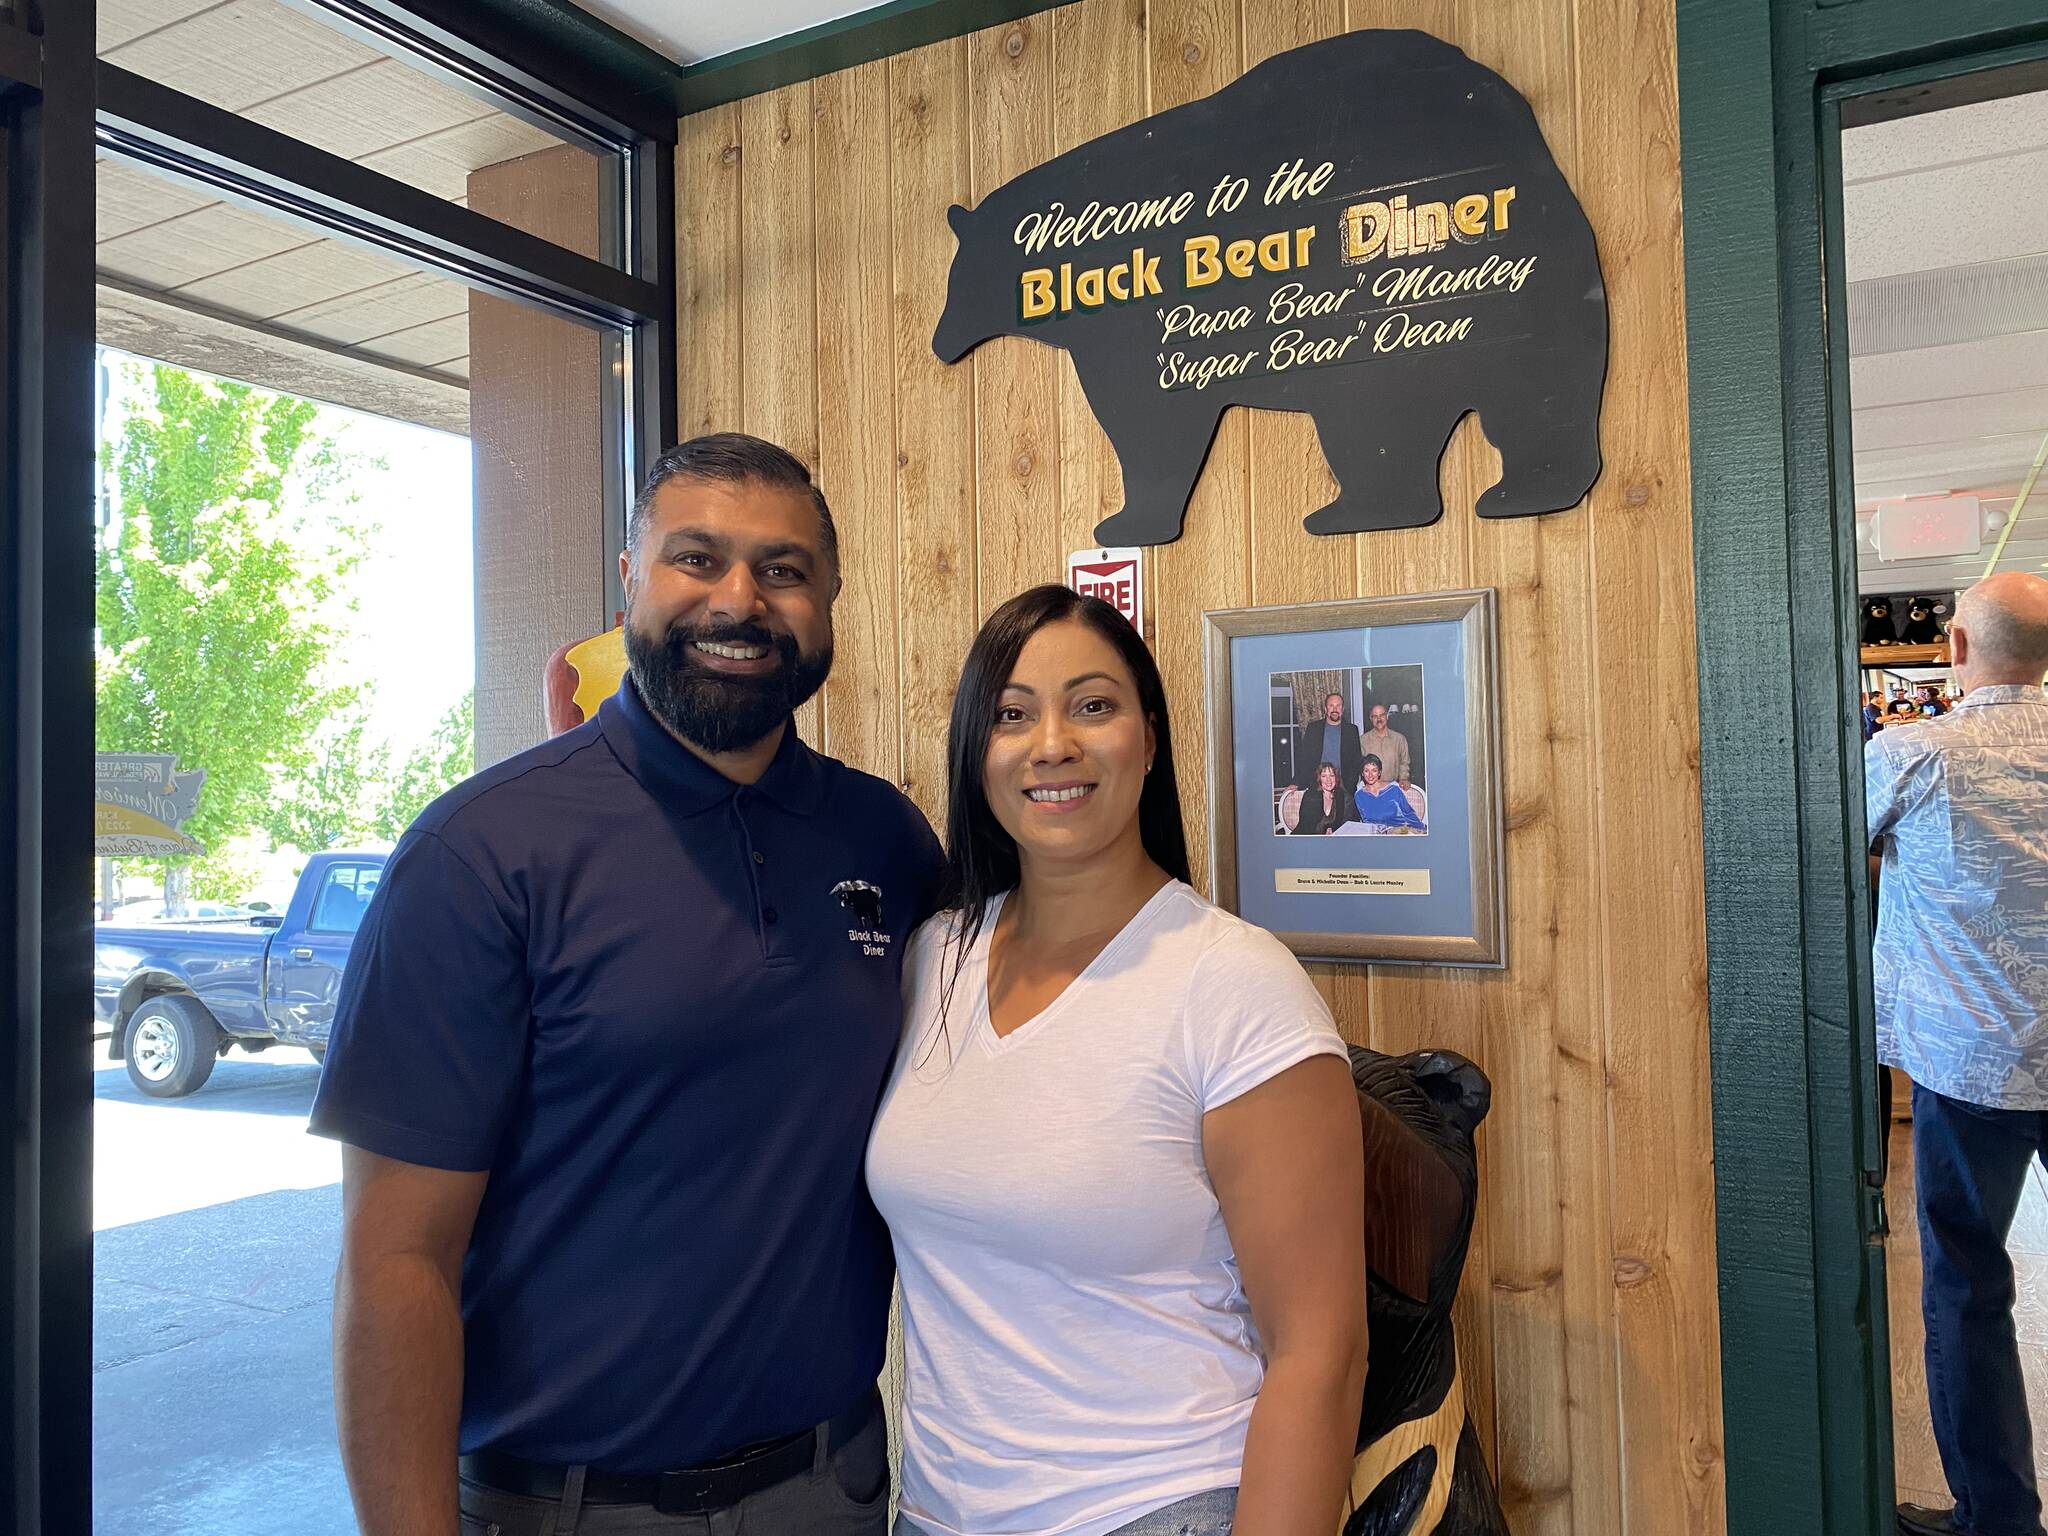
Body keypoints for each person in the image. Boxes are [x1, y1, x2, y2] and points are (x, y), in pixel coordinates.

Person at [311, 433, 943, 1536]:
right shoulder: (479, 853)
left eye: (782, 570)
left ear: (830, 597)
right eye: (695, 560)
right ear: (628, 581)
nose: (739, 600)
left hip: (832, 1486)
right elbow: (395, 1259)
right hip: (562, 1507)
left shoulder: (881, 837)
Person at [869, 584, 1368, 1536]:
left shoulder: (1233, 984)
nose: (1052, 742)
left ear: (1149, 736)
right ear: (979, 754)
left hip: (1157, 1507)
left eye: (1092, 705)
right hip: (934, 1512)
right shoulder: (934, 958)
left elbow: (1321, 1352)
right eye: (1012, 714)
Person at [1869, 572, 2048, 1536]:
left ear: (1956, 651)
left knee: (1970, 1289)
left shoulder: (1918, 754)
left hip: (1971, 1062)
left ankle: (2000, 1522)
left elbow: (1816, 846)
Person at [1292, 690, 1363, 795]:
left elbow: (1356, 760)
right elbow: (1304, 758)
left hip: (1344, 787)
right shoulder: (1313, 729)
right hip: (1317, 785)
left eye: (1338, 706)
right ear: (1325, 709)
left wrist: (1351, 782)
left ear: (1342, 709)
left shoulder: (1352, 730)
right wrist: (1296, 782)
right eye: (1331, 706)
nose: (1335, 709)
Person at [1353, 754, 1425, 831]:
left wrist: (1420, 831)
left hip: (1399, 832)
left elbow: (1408, 814)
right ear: (1362, 773)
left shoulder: (1394, 790)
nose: (1370, 775)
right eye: (1366, 771)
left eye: (1374, 770)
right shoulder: (1359, 795)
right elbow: (1366, 822)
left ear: (1379, 772)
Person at [1292, 760, 1355, 835]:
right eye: (1324, 776)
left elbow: (1341, 823)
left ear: (1336, 778)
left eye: (1331, 776)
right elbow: (1306, 827)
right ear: (1319, 779)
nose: (1328, 780)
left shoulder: (1340, 797)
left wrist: (1330, 828)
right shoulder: (1311, 796)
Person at [1359, 701, 1412, 789]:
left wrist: (1403, 778)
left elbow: (1404, 762)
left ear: (1387, 717)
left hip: (1393, 787)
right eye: (1375, 716)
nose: (1379, 719)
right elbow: (1360, 765)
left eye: (1382, 715)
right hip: (1371, 789)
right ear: (1371, 719)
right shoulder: (1363, 740)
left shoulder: (1399, 739)